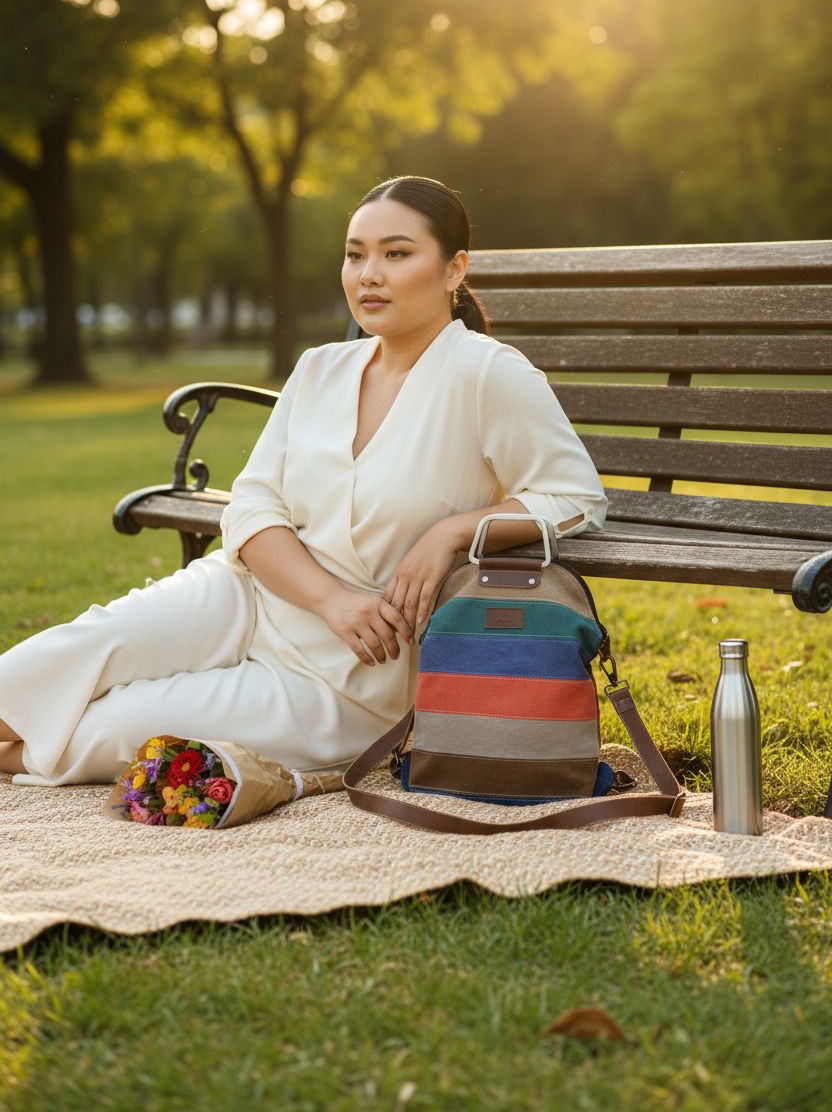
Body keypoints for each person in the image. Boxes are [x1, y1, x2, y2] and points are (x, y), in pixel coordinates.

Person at [0, 176, 607, 787]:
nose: (369, 273)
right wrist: (329, 600)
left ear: (454, 270)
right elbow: (254, 505)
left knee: (115, 728)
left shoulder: (487, 374)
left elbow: (573, 497)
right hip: (248, 595)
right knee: (74, 653)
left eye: (396, 254)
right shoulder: (320, 368)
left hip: (350, 674)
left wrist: (451, 532)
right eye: (355, 254)